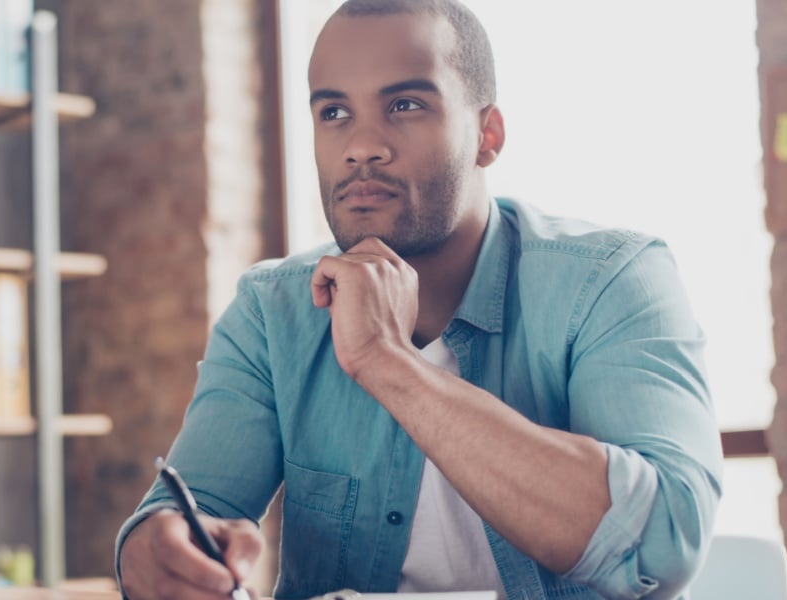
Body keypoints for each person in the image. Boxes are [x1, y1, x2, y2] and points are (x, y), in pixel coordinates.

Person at [115, 0, 723, 598]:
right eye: (333, 112)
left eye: (405, 105)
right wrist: (154, 555)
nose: (362, 145)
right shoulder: (272, 310)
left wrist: (390, 364)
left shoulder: (613, 280)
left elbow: (663, 543)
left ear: (487, 135)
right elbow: (186, 512)